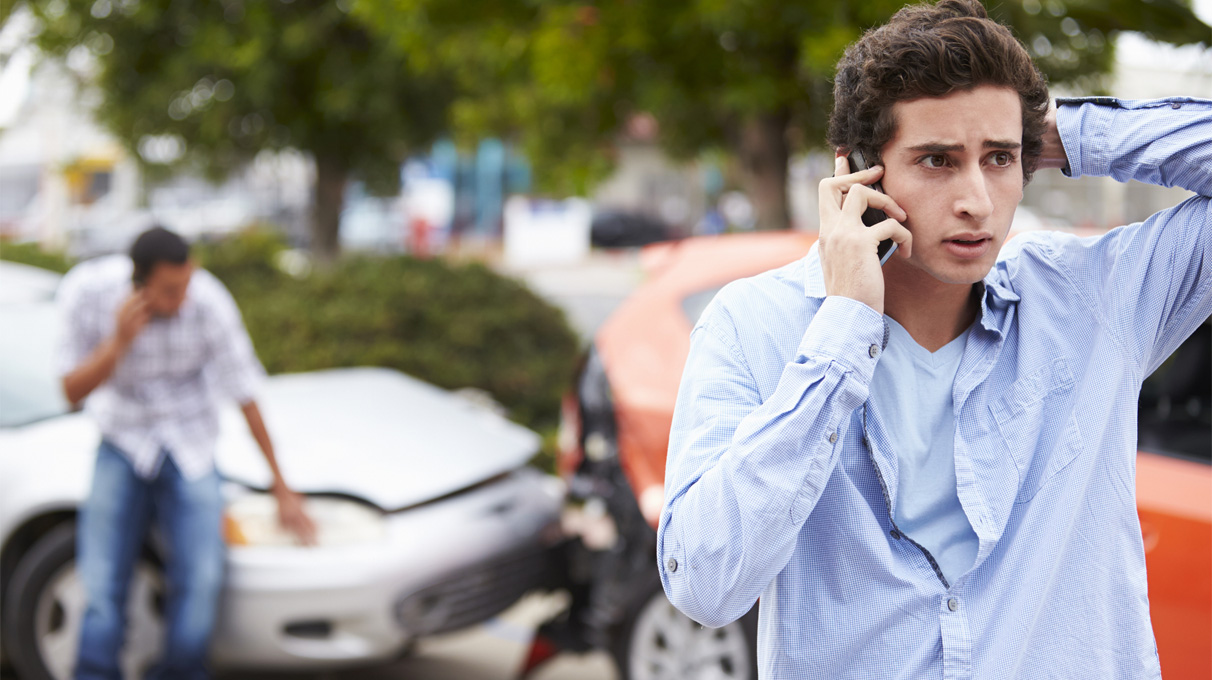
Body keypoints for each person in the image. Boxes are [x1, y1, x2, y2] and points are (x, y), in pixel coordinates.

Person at [656, 1, 1211, 677]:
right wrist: (843, 332)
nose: (977, 198)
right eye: (939, 160)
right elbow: (705, 586)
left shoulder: (1092, 302)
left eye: (999, 159)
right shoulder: (755, 325)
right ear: (858, 171)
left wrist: (1054, 133)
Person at [58, 226, 317, 679]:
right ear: (138, 285)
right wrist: (118, 342)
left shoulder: (209, 302)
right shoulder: (88, 292)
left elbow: (245, 392)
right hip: (122, 438)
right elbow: (71, 392)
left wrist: (282, 483)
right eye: (171, 290)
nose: (183, 297)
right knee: (100, 581)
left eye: (187, 283)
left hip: (191, 442)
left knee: (201, 579)